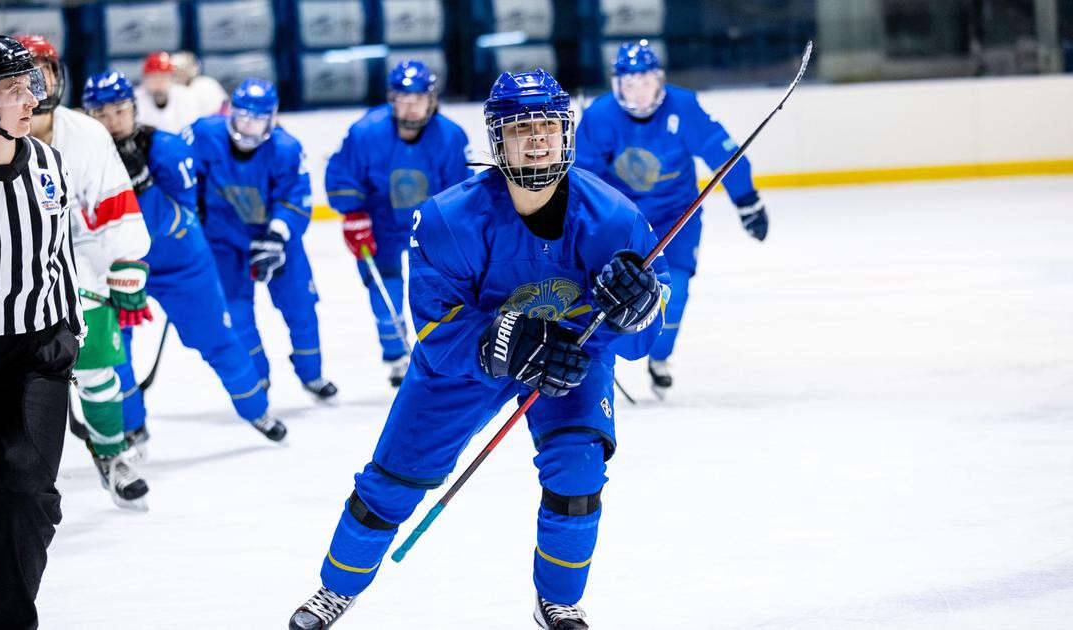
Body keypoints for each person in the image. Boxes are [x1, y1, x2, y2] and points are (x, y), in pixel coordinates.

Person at [289, 68, 669, 630]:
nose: (536, 139)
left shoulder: (615, 218)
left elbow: (637, 345)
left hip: (569, 360)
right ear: (497, 141)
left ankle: (559, 600)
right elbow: (437, 331)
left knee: (578, 470)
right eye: (520, 130)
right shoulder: (447, 220)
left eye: (546, 126)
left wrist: (640, 312)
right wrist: (501, 341)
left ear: (566, 133)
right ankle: (335, 589)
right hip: (464, 368)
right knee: (390, 483)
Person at [0, 35, 84, 628]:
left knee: (27, 497)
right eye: (13, 89)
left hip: (36, 351)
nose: (32, 99)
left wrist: (69, 331)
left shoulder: (50, 164)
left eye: (32, 85)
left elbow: (58, 255)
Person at [82, 69, 286, 444]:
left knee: (216, 340)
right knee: (113, 353)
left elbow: (182, 217)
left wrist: (143, 187)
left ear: (133, 107)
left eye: (119, 112)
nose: (111, 123)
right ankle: (130, 425)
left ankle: (256, 408)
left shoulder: (168, 149)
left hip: (181, 266)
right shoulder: (79, 157)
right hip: (112, 269)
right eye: (101, 114)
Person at [575, 40, 769, 397]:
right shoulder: (600, 117)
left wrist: (747, 200)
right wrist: (581, 229)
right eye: (629, 83)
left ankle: (659, 356)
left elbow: (721, 150)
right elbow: (584, 180)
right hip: (623, 224)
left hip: (675, 220)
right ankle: (598, 354)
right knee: (602, 289)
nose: (638, 92)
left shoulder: (684, 106)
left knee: (674, 290)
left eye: (645, 81)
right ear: (616, 84)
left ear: (659, 81)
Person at [17, 34, 152, 509]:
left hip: (79, 260)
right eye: (25, 73)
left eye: (44, 70)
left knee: (95, 360)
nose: (37, 82)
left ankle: (111, 451)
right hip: (5, 268)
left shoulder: (87, 134)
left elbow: (116, 205)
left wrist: (128, 259)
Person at [190, 79, 338, 400]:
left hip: (277, 243)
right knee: (237, 313)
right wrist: (191, 205)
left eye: (258, 119)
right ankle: (258, 378)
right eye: (243, 116)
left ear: (272, 118)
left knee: (301, 307)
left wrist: (277, 234)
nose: (248, 125)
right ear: (230, 112)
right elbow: (181, 171)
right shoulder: (204, 133)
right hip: (225, 242)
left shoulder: (287, 149)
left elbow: (296, 198)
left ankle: (311, 374)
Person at [326, 60, 471, 387]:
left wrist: (459, 229)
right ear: (392, 99)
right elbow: (342, 173)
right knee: (384, 290)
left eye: (417, 98)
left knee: (439, 289)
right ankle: (396, 356)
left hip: (431, 226)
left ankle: (441, 351)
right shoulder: (365, 131)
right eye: (403, 98)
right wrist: (352, 214)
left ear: (431, 99)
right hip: (382, 223)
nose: (410, 107)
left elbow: (462, 189)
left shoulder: (450, 136)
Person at [134, 50, 201, 133]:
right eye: (153, 77)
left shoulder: (184, 95)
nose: (158, 81)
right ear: (144, 79)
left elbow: (192, 128)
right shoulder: (135, 98)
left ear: (171, 78)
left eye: (163, 76)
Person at [170, 50, 228, 117]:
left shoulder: (207, 84)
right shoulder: (170, 88)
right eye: (175, 69)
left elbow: (224, 106)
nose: (177, 73)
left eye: (181, 69)